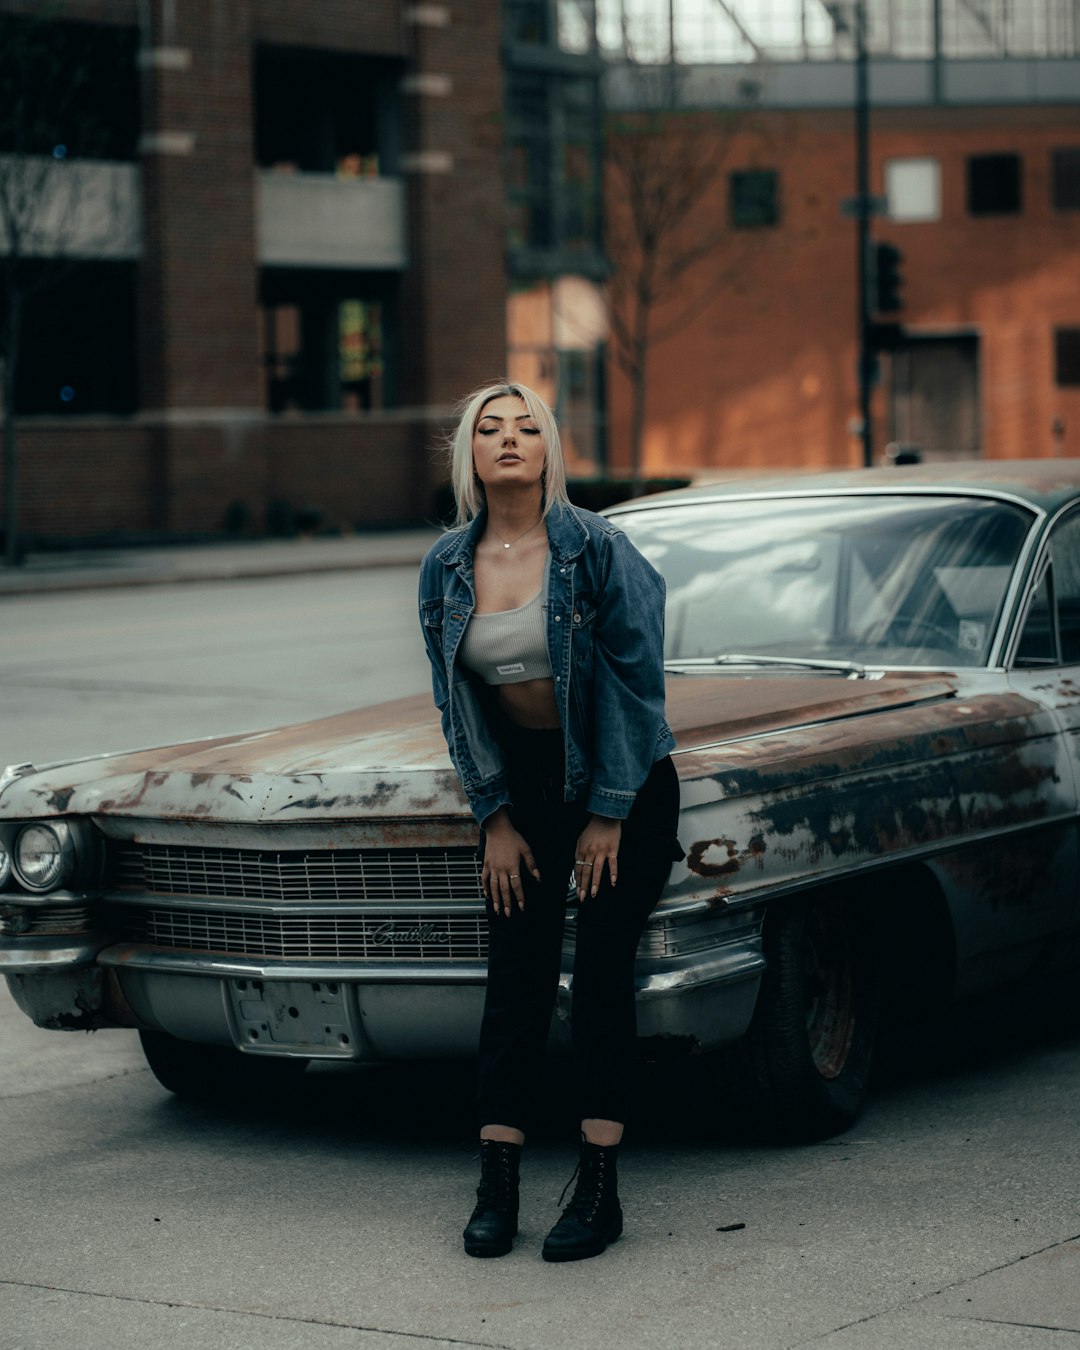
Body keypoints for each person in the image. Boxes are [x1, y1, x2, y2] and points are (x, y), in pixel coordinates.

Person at [418, 381, 682, 1263]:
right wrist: (494, 817)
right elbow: (457, 706)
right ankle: (498, 1186)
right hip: (522, 792)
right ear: (469, 453)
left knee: (602, 976)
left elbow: (639, 693)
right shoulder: (447, 565)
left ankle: (598, 1193)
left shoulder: (598, 548)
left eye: (527, 427)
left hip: (622, 783)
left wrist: (607, 815)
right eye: (489, 428)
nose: (508, 439)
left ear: (548, 450)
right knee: (516, 981)